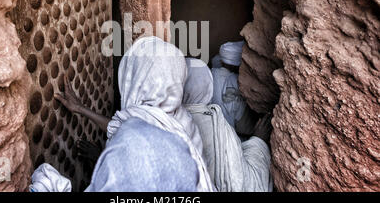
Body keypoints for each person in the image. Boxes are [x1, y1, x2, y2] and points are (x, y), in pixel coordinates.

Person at [55, 36, 215, 192]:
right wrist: (81, 109)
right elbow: (122, 126)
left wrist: (105, 161)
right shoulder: (183, 120)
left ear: (141, 78)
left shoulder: (135, 140)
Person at [183, 57, 273, 192]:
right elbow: (240, 182)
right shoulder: (216, 125)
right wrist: (258, 141)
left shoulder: (167, 120)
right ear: (208, 84)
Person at [211, 41, 258, 136]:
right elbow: (244, 127)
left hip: (209, 129)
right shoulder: (237, 81)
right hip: (230, 135)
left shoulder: (210, 73)